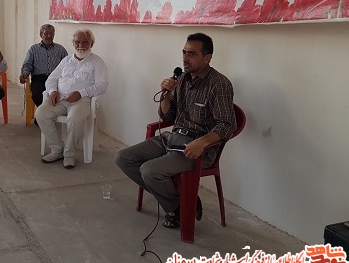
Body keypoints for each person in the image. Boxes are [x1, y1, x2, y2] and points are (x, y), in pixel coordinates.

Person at [115, 33, 236, 228]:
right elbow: (167, 116)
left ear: (207, 58)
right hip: (173, 138)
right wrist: (165, 94)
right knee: (123, 158)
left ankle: (177, 207)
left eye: (192, 54)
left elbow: (227, 124)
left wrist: (202, 142)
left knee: (149, 170)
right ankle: (182, 202)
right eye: (184, 52)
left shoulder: (219, 84)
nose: (185, 58)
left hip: (197, 148)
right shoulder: (182, 79)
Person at [36, 29, 108, 169]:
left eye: (85, 42)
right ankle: (57, 149)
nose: (80, 45)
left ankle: (69, 154)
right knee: (41, 114)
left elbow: (102, 85)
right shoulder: (66, 60)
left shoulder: (97, 62)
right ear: (73, 44)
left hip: (81, 101)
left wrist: (80, 93)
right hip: (60, 99)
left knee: (75, 118)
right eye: (77, 42)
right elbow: (52, 78)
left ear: (91, 44)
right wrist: (52, 91)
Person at [19, 24, 68, 113]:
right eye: (46, 33)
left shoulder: (61, 49)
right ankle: (44, 113)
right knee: (37, 94)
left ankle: (45, 114)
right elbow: (27, 64)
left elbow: (68, 65)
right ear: (41, 34)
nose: (49, 36)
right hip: (39, 78)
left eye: (51, 34)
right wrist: (25, 73)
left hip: (56, 78)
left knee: (62, 93)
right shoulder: (33, 49)